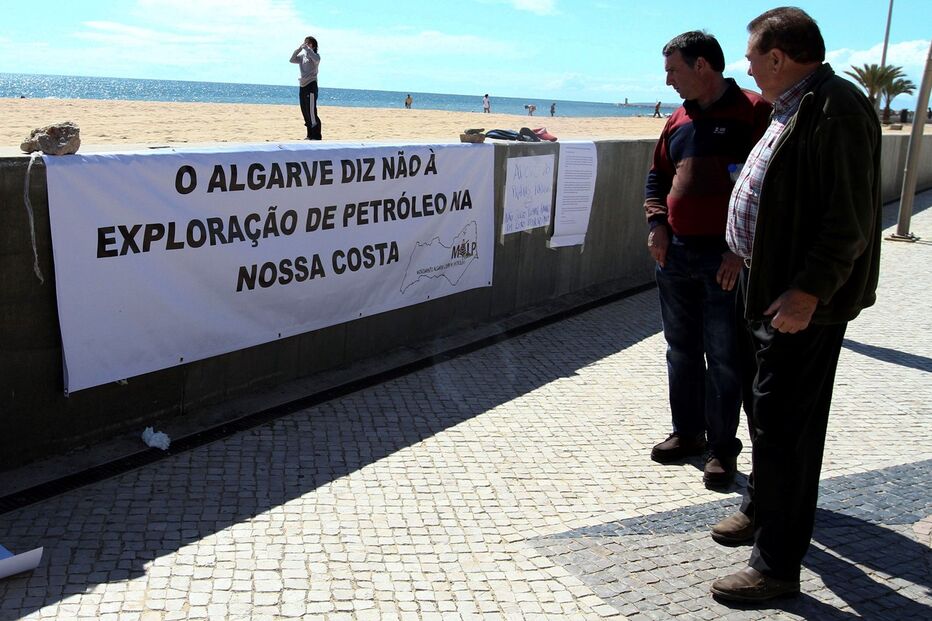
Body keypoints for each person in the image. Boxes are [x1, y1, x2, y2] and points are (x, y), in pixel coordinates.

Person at [711, 7, 882, 602]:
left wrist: (809, 290)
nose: (749, 67)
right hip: (765, 292)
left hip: (799, 304)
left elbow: (849, 219)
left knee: (787, 431)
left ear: (779, 58)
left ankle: (776, 566)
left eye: (754, 57)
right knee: (765, 418)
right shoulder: (795, 105)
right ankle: (762, 507)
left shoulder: (836, 108)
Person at [644, 31, 771, 489]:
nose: (668, 81)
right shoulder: (677, 118)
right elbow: (656, 176)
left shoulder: (754, 111)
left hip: (724, 259)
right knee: (680, 352)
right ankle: (687, 434)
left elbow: (768, 189)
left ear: (702, 66)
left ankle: (723, 450)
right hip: (675, 254)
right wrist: (657, 225)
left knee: (724, 358)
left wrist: (740, 251)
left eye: (673, 70)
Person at [290, 36, 322, 140]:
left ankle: (316, 135)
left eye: (309, 43)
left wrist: (308, 49)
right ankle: (309, 135)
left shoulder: (316, 56)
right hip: (302, 85)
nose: (306, 44)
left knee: (311, 111)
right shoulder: (302, 57)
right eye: (305, 42)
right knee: (305, 111)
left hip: (311, 85)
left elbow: (316, 59)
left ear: (313, 45)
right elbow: (291, 60)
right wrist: (299, 49)